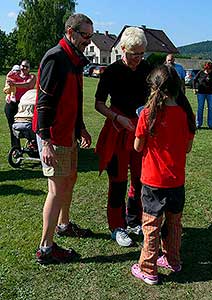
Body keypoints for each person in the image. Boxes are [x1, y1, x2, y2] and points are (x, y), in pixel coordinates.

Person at [33, 13, 93, 265]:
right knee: (56, 190)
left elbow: (74, 99)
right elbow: (44, 102)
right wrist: (45, 141)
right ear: (70, 32)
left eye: (91, 36)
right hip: (53, 136)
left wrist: (80, 127)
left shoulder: (74, 59)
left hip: (68, 133)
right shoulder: (55, 57)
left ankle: (64, 224)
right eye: (85, 35)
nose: (88, 41)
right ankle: (45, 249)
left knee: (69, 179)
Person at [131, 64, 196, 285]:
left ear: (153, 88)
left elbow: (138, 147)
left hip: (153, 181)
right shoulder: (186, 114)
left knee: (151, 225)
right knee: (174, 223)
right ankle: (173, 260)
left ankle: (148, 268)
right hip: (176, 180)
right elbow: (187, 147)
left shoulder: (148, 114)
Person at [95, 27, 152, 247]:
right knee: (118, 180)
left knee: (139, 179)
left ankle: (133, 220)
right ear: (122, 49)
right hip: (118, 132)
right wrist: (117, 118)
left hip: (140, 130)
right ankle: (116, 226)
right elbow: (98, 104)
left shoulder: (147, 69)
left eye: (140, 54)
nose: (137, 59)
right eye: (132, 54)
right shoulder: (111, 72)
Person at [4, 60, 36, 148]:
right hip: (12, 103)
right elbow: (7, 82)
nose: (24, 68)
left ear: (29, 69)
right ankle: (15, 147)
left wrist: (14, 84)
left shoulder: (32, 76)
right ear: (20, 66)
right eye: (23, 66)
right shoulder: (14, 75)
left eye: (27, 67)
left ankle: (32, 143)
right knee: (13, 127)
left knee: (28, 125)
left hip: (25, 105)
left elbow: (28, 85)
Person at [193, 61, 212, 128]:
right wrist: (195, 88)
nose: (210, 70)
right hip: (201, 93)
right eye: (209, 69)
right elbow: (194, 80)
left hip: (210, 93)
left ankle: (210, 124)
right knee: (200, 108)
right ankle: (198, 124)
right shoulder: (200, 72)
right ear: (206, 68)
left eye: (211, 69)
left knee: (210, 108)